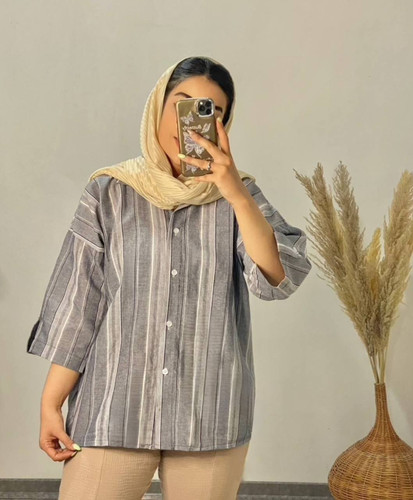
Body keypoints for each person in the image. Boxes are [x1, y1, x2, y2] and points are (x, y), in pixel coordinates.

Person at [26, 56, 312, 500]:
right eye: (182, 102)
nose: (192, 121)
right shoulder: (108, 193)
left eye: (210, 111)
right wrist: (51, 403)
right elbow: (79, 305)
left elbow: (280, 277)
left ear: (223, 125)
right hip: (113, 406)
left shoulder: (240, 196)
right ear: (158, 106)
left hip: (209, 411)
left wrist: (235, 192)